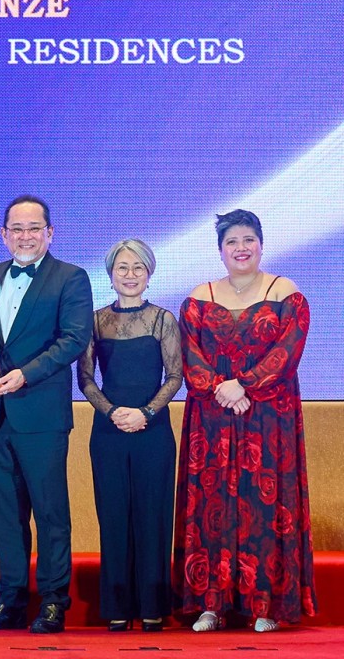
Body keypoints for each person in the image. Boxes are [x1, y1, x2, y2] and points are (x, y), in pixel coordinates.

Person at [173, 209, 317, 632]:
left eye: (248, 240)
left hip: (268, 418)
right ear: (220, 250)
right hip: (213, 418)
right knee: (212, 503)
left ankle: (264, 606)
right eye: (232, 241)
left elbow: (287, 353)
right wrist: (223, 387)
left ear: (261, 244)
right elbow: (189, 356)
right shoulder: (198, 298)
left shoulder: (287, 293)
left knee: (263, 502)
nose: (241, 248)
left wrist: (246, 386)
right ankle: (210, 605)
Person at [0, 195, 93, 634]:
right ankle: (11, 602)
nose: (24, 236)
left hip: (41, 413)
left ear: (49, 233)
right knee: (7, 515)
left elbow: (74, 339)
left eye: (33, 228)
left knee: (50, 512)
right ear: (4, 235)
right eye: (16, 229)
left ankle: (55, 602)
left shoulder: (71, 278)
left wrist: (26, 374)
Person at [77, 239, 181, 632]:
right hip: (108, 429)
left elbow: (175, 376)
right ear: (111, 274)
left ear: (149, 274)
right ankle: (118, 605)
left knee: (152, 515)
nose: (130, 275)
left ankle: (154, 605)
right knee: (114, 515)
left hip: (153, 430)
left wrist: (147, 413)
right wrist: (113, 412)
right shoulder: (95, 320)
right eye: (123, 267)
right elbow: (85, 378)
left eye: (138, 268)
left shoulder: (162, 320)